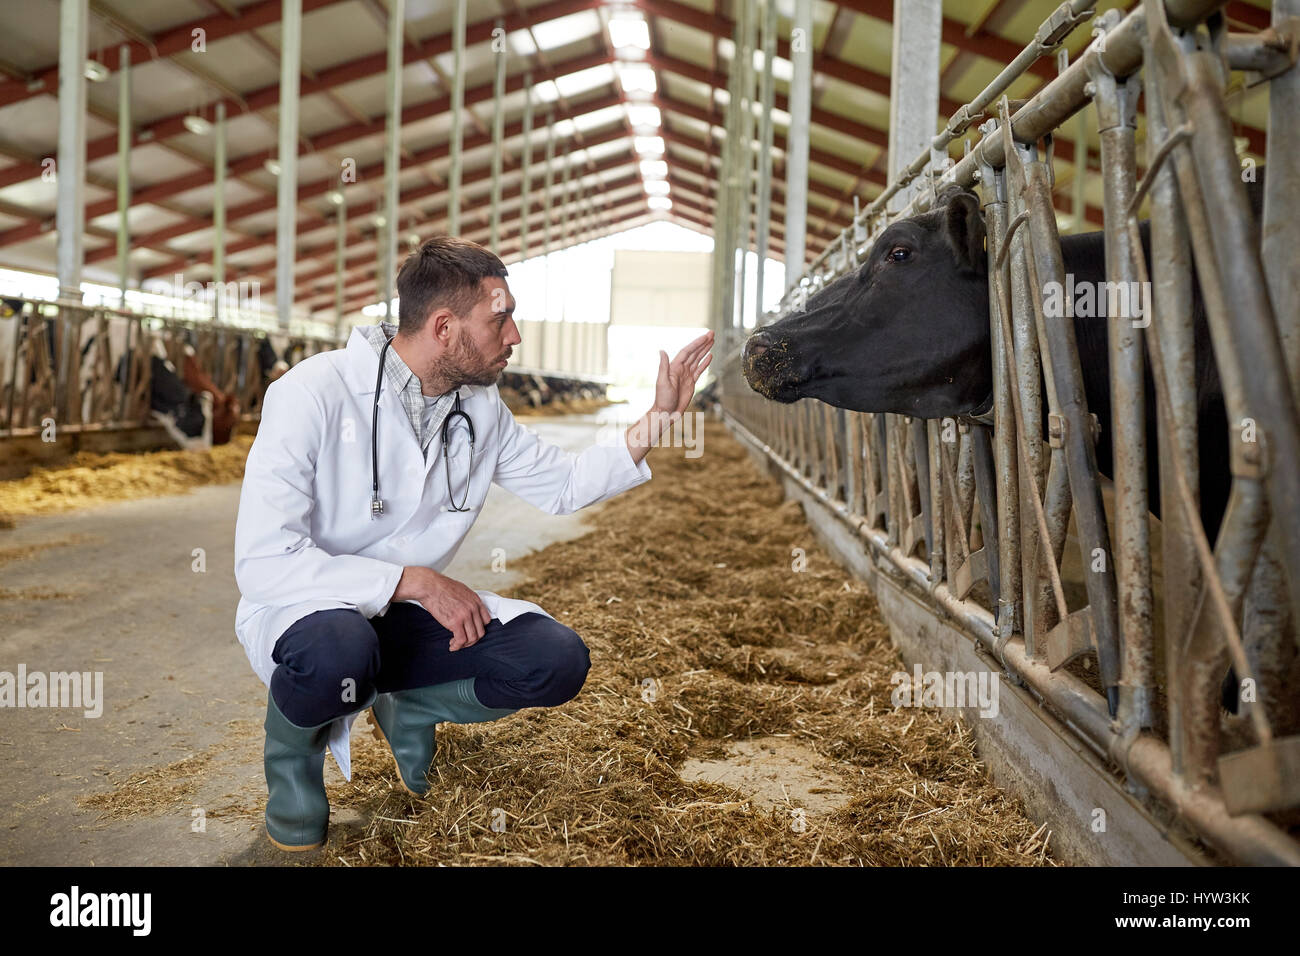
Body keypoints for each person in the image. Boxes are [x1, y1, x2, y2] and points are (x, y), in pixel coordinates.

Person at [232, 235, 713, 851]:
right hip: (308, 609)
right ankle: (293, 768)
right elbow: (265, 561)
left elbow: (564, 484)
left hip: (405, 617)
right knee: (337, 648)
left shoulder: (480, 408)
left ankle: (411, 706)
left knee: (554, 659)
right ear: (443, 327)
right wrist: (417, 581)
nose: (514, 336)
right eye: (500, 317)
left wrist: (660, 417)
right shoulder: (311, 393)